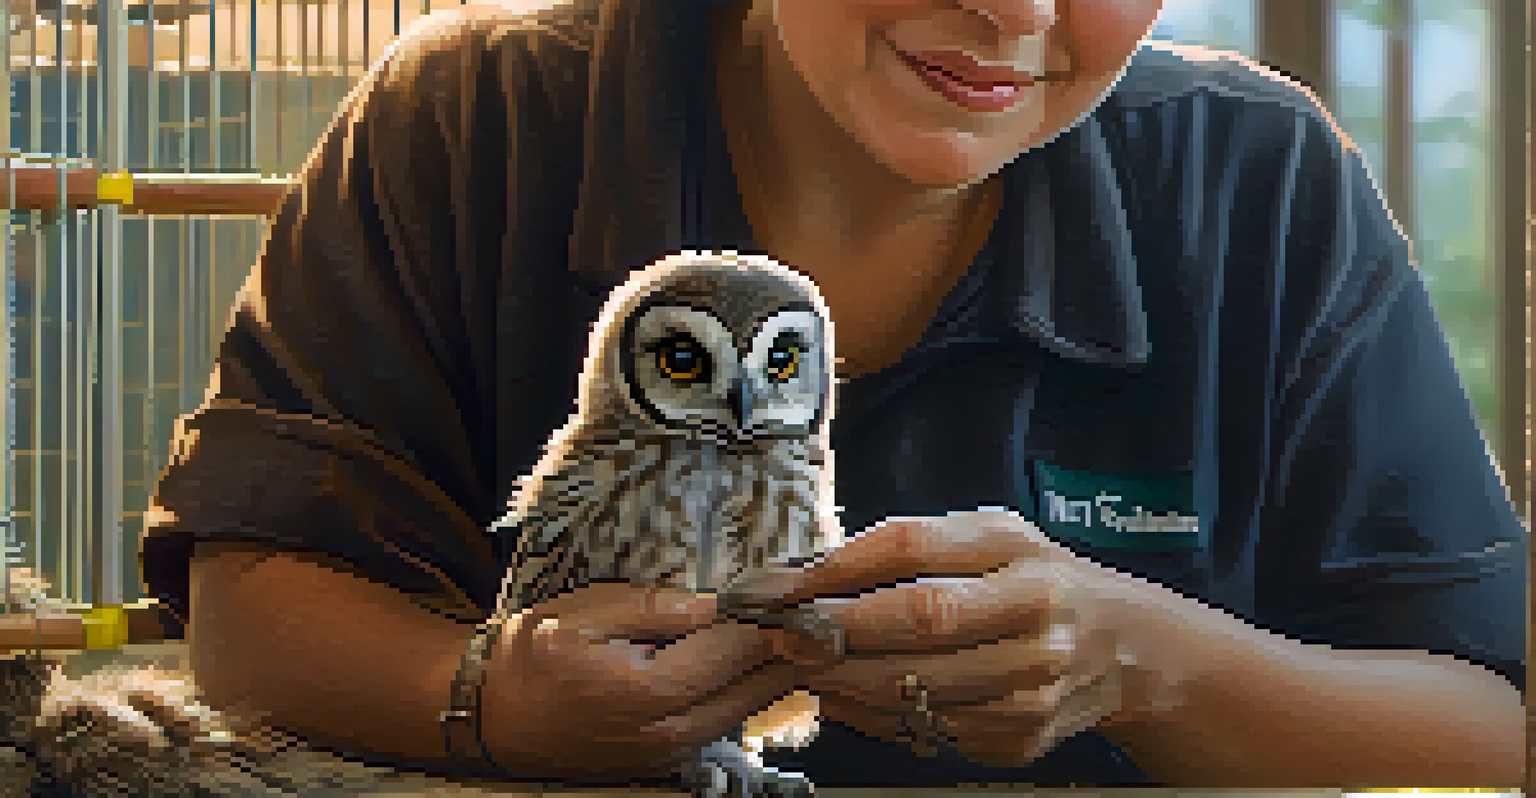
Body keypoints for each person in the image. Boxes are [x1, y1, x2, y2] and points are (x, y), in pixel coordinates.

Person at [139, 0, 1526, 787]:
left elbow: (1488, 709)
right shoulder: (477, 115)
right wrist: (489, 695)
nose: (1015, 11)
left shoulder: (1254, 179)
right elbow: (251, 615)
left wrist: (1142, 661)